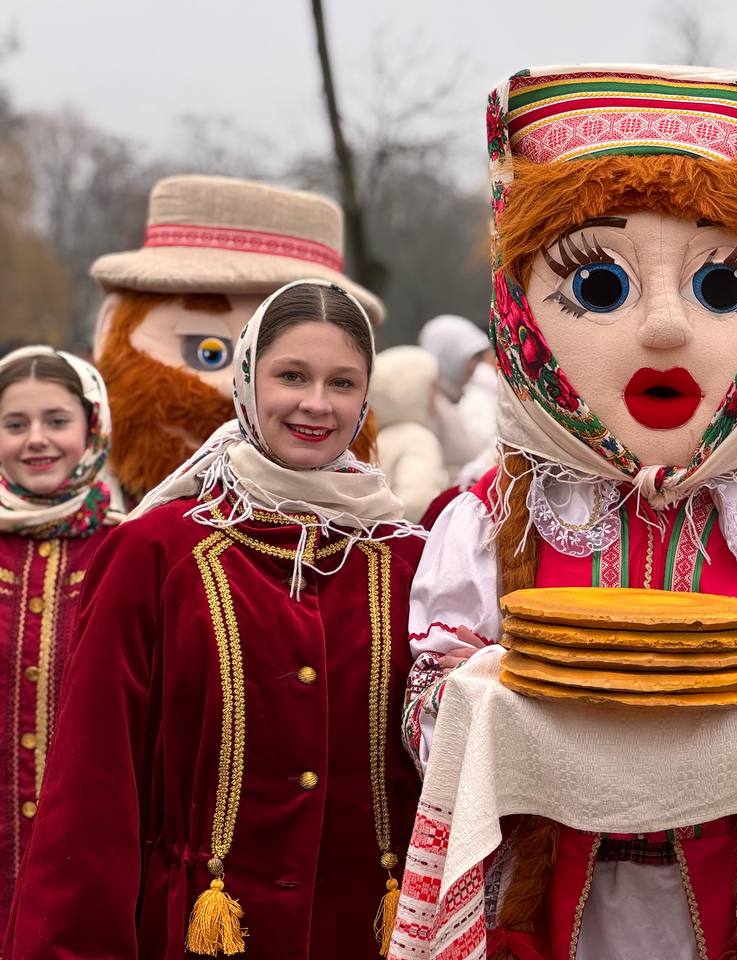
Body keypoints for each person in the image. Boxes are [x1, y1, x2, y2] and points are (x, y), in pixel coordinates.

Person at [392, 64, 737, 960]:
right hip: (549, 905)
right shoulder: (504, 511)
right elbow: (428, 722)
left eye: (725, 288)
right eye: (599, 286)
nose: (666, 328)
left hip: (735, 904)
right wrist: (481, 701)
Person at [4, 280, 425, 959]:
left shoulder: (407, 561)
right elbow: (94, 786)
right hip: (189, 936)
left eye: (342, 382)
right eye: (292, 376)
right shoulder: (156, 551)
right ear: (248, 380)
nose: (317, 404)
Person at [90, 174, 384, 506]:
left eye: (341, 382)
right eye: (208, 352)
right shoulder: (118, 522)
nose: (240, 390)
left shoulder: (376, 523)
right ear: (107, 330)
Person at [0, 346, 119, 923]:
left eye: (56, 420)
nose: (36, 440)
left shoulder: (129, 547)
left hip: (92, 837)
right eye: (14, 425)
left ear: (92, 428)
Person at [367, 345, 449, 521]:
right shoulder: (418, 439)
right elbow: (418, 504)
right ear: (412, 391)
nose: (437, 397)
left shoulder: (376, 438)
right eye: (433, 388)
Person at [417, 313, 496, 482]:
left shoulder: (449, 400)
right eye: (470, 356)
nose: (474, 365)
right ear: (447, 352)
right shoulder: (431, 403)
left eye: (478, 358)